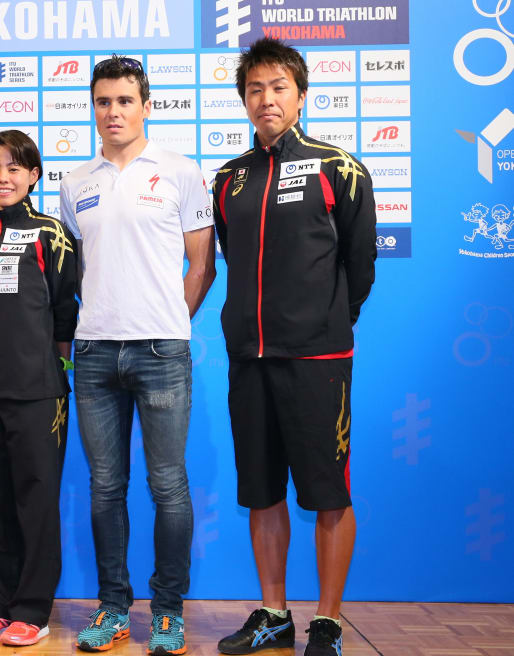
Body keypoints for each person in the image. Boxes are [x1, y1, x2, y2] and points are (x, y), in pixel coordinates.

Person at [211, 38, 376, 656]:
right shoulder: (229, 178)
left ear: (301, 95)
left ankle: (328, 621)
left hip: (318, 359)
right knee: (261, 490)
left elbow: (359, 266)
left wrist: (327, 321)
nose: (266, 99)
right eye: (255, 89)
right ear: (244, 100)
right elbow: (231, 256)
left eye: (278, 87)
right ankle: (274, 612)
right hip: (248, 357)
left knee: (328, 490)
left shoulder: (341, 168)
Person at [59, 55, 216, 655]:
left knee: (168, 485)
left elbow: (202, 264)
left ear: (146, 106)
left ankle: (169, 614)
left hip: (161, 352)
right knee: (104, 487)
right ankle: (114, 608)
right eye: (103, 101)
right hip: (94, 353)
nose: (113, 111)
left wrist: (168, 322)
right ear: (93, 108)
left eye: (125, 100)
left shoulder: (180, 172)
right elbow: (80, 269)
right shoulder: (76, 183)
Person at [0, 130, 79, 648]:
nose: (2, 177)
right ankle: (2, 602)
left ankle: (33, 609)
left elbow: (64, 313)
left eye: (14, 168)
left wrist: (53, 375)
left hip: (38, 393)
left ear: (34, 176)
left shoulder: (51, 234)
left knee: (35, 500)